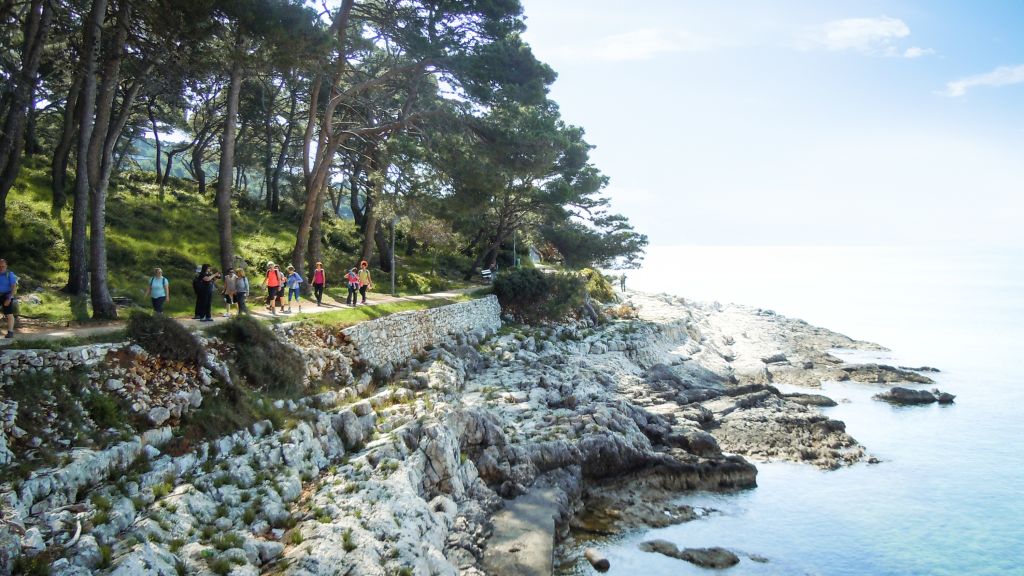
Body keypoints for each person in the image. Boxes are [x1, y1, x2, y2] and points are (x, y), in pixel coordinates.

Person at [0, 259, 19, 339]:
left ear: (6, 266)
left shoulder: (10, 274)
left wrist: (9, 298)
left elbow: (13, 287)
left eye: (3, 266)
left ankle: (10, 332)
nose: (1, 268)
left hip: (7, 295)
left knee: (9, 314)